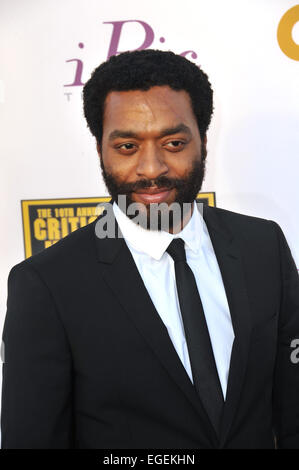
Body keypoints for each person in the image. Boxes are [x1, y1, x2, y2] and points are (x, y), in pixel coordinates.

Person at [1, 49, 299, 449]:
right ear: (100, 150)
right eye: (127, 147)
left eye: (174, 143)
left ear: (204, 142)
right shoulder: (48, 284)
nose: (152, 168)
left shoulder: (262, 247)